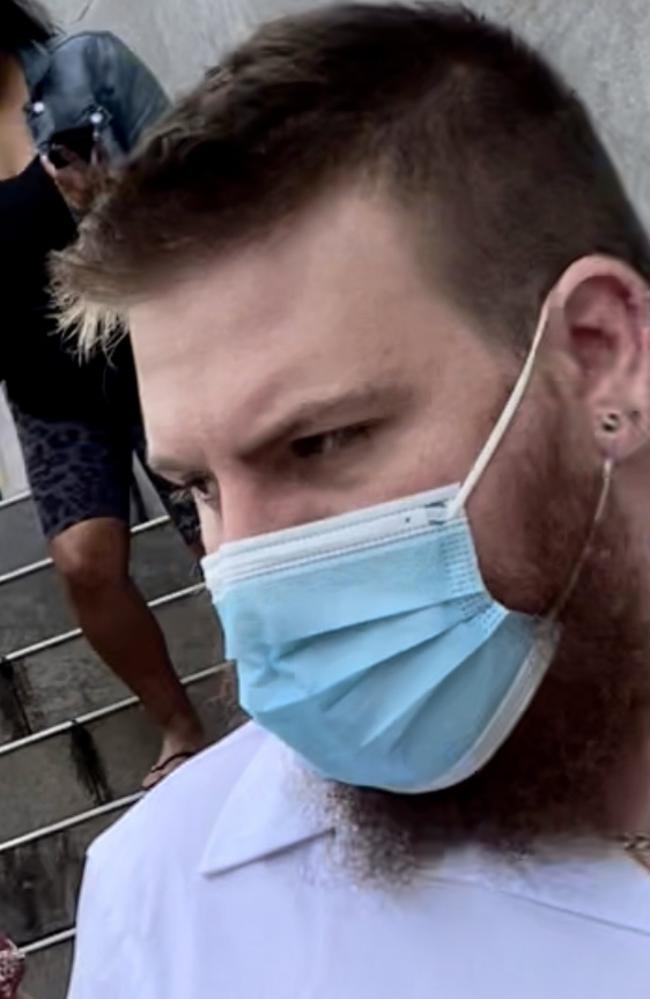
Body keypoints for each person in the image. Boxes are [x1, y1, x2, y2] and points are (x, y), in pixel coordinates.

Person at [57, 3, 650, 996]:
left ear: (598, 354)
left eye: (319, 442)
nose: (243, 588)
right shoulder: (170, 911)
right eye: (194, 488)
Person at [0, 0, 204, 788]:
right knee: (84, 562)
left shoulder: (89, 67)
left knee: (215, 537)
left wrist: (109, 201)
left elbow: (203, 194)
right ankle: (179, 724)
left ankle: (276, 677)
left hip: (151, 345)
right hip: (49, 387)